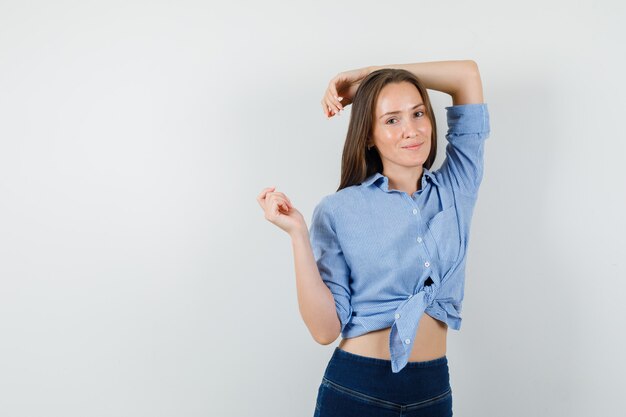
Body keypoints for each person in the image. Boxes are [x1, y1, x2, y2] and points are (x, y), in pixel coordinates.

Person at [256, 59, 490, 416]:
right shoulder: (338, 209)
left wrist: (368, 75)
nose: (411, 130)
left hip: (432, 392)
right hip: (358, 390)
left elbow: (467, 75)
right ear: (368, 134)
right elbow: (324, 330)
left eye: (418, 113)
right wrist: (298, 235)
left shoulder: (456, 187)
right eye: (392, 119)